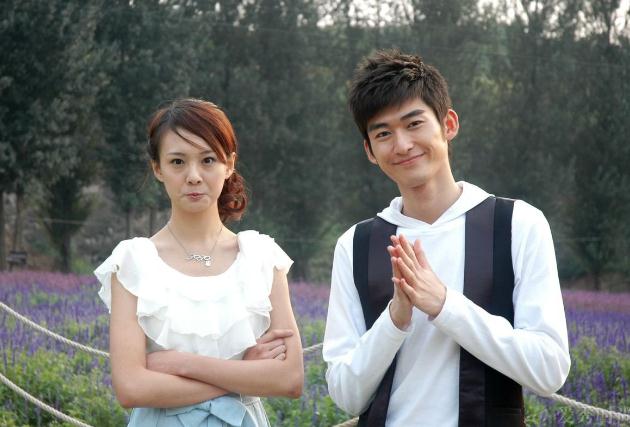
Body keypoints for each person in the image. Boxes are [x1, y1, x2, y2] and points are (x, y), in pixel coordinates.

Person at [322, 50, 570, 426]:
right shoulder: (356, 244)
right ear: (370, 151)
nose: (402, 144)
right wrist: (394, 320)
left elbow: (549, 370)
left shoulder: (517, 224)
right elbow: (344, 394)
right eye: (383, 133)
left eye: (414, 123)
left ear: (448, 124)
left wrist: (444, 305)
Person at [95, 98, 303, 426]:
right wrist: (245, 374)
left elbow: (289, 379)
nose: (193, 176)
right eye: (177, 162)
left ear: (229, 164)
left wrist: (181, 364)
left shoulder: (262, 257)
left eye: (208, 160)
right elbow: (131, 387)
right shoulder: (133, 262)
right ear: (158, 168)